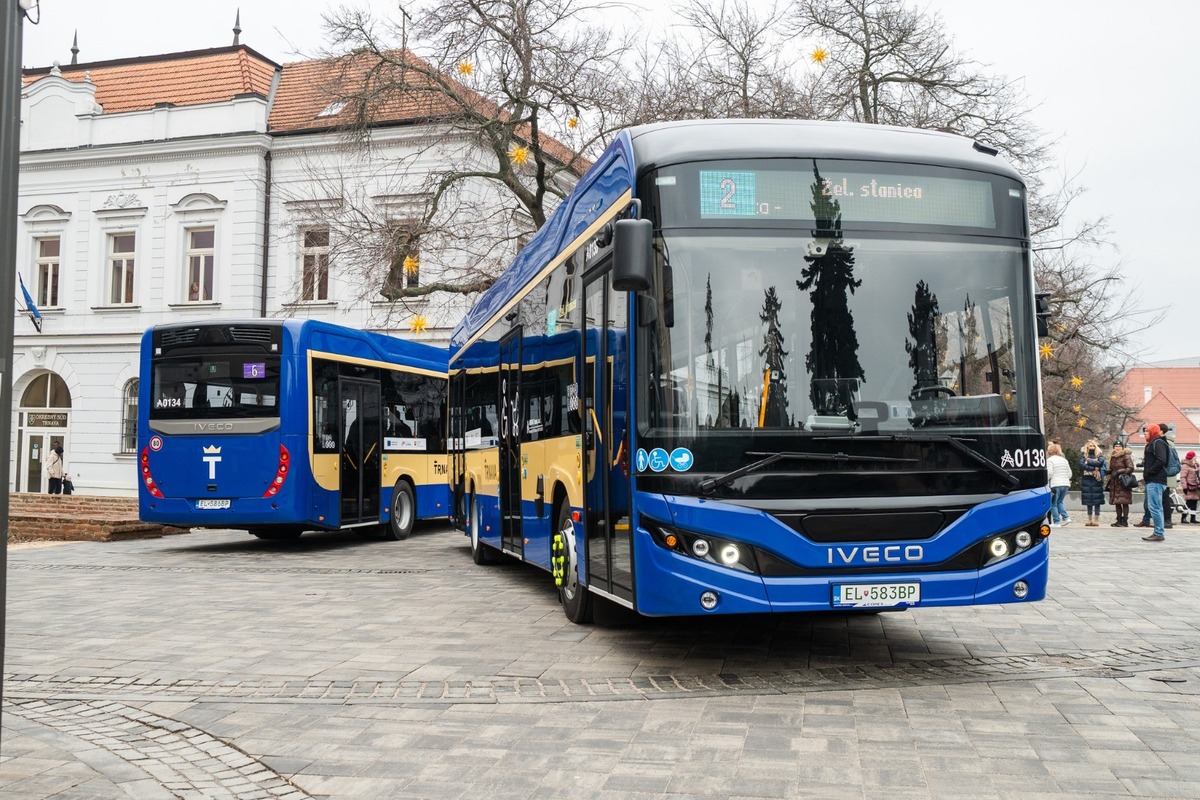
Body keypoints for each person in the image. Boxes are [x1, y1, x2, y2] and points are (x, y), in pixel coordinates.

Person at [1140, 423, 1169, 541]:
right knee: (1156, 507)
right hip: (1154, 479)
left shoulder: (1158, 442)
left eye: (1147, 431)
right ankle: (1158, 531)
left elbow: (1161, 460)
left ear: (1153, 431)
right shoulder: (1153, 443)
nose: (1145, 433)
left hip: (1156, 479)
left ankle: (1159, 532)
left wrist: (1149, 472)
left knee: (1155, 507)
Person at [1107, 442, 1136, 527]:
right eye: (1116, 446)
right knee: (1117, 502)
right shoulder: (1113, 457)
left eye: (1120, 446)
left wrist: (1119, 472)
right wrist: (1108, 472)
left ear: (1122, 448)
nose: (1118, 448)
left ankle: (1125, 521)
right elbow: (1112, 469)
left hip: (1123, 482)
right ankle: (1119, 520)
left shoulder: (1126, 456)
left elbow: (1130, 468)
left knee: (1124, 502)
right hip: (1115, 482)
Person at [1078, 439, 1106, 526]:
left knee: (1097, 500)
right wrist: (1093, 468)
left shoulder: (1099, 454)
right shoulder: (1083, 455)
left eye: (1093, 446)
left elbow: (1100, 463)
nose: (1092, 447)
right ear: (1087, 446)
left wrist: (1089, 462)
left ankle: (1096, 519)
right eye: (1090, 446)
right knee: (1088, 500)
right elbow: (1082, 464)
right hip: (1086, 479)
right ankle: (1089, 519)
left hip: (1096, 480)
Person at [1046, 442, 1072, 526]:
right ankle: (1066, 517)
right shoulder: (1064, 460)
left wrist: (1046, 480)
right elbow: (1069, 473)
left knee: (1053, 503)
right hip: (1065, 484)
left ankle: (1056, 521)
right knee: (1060, 502)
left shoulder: (1050, 460)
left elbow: (1049, 473)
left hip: (1055, 484)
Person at [1180, 450, 1200, 524]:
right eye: (1194, 457)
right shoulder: (1185, 466)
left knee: (1194, 502)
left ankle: (1193, 518)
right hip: (1189, 487)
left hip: (1196, 487)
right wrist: (1184, 487)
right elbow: (1183, 477)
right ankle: (1184, 518)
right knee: (1188, 503)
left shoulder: (1196, 465)